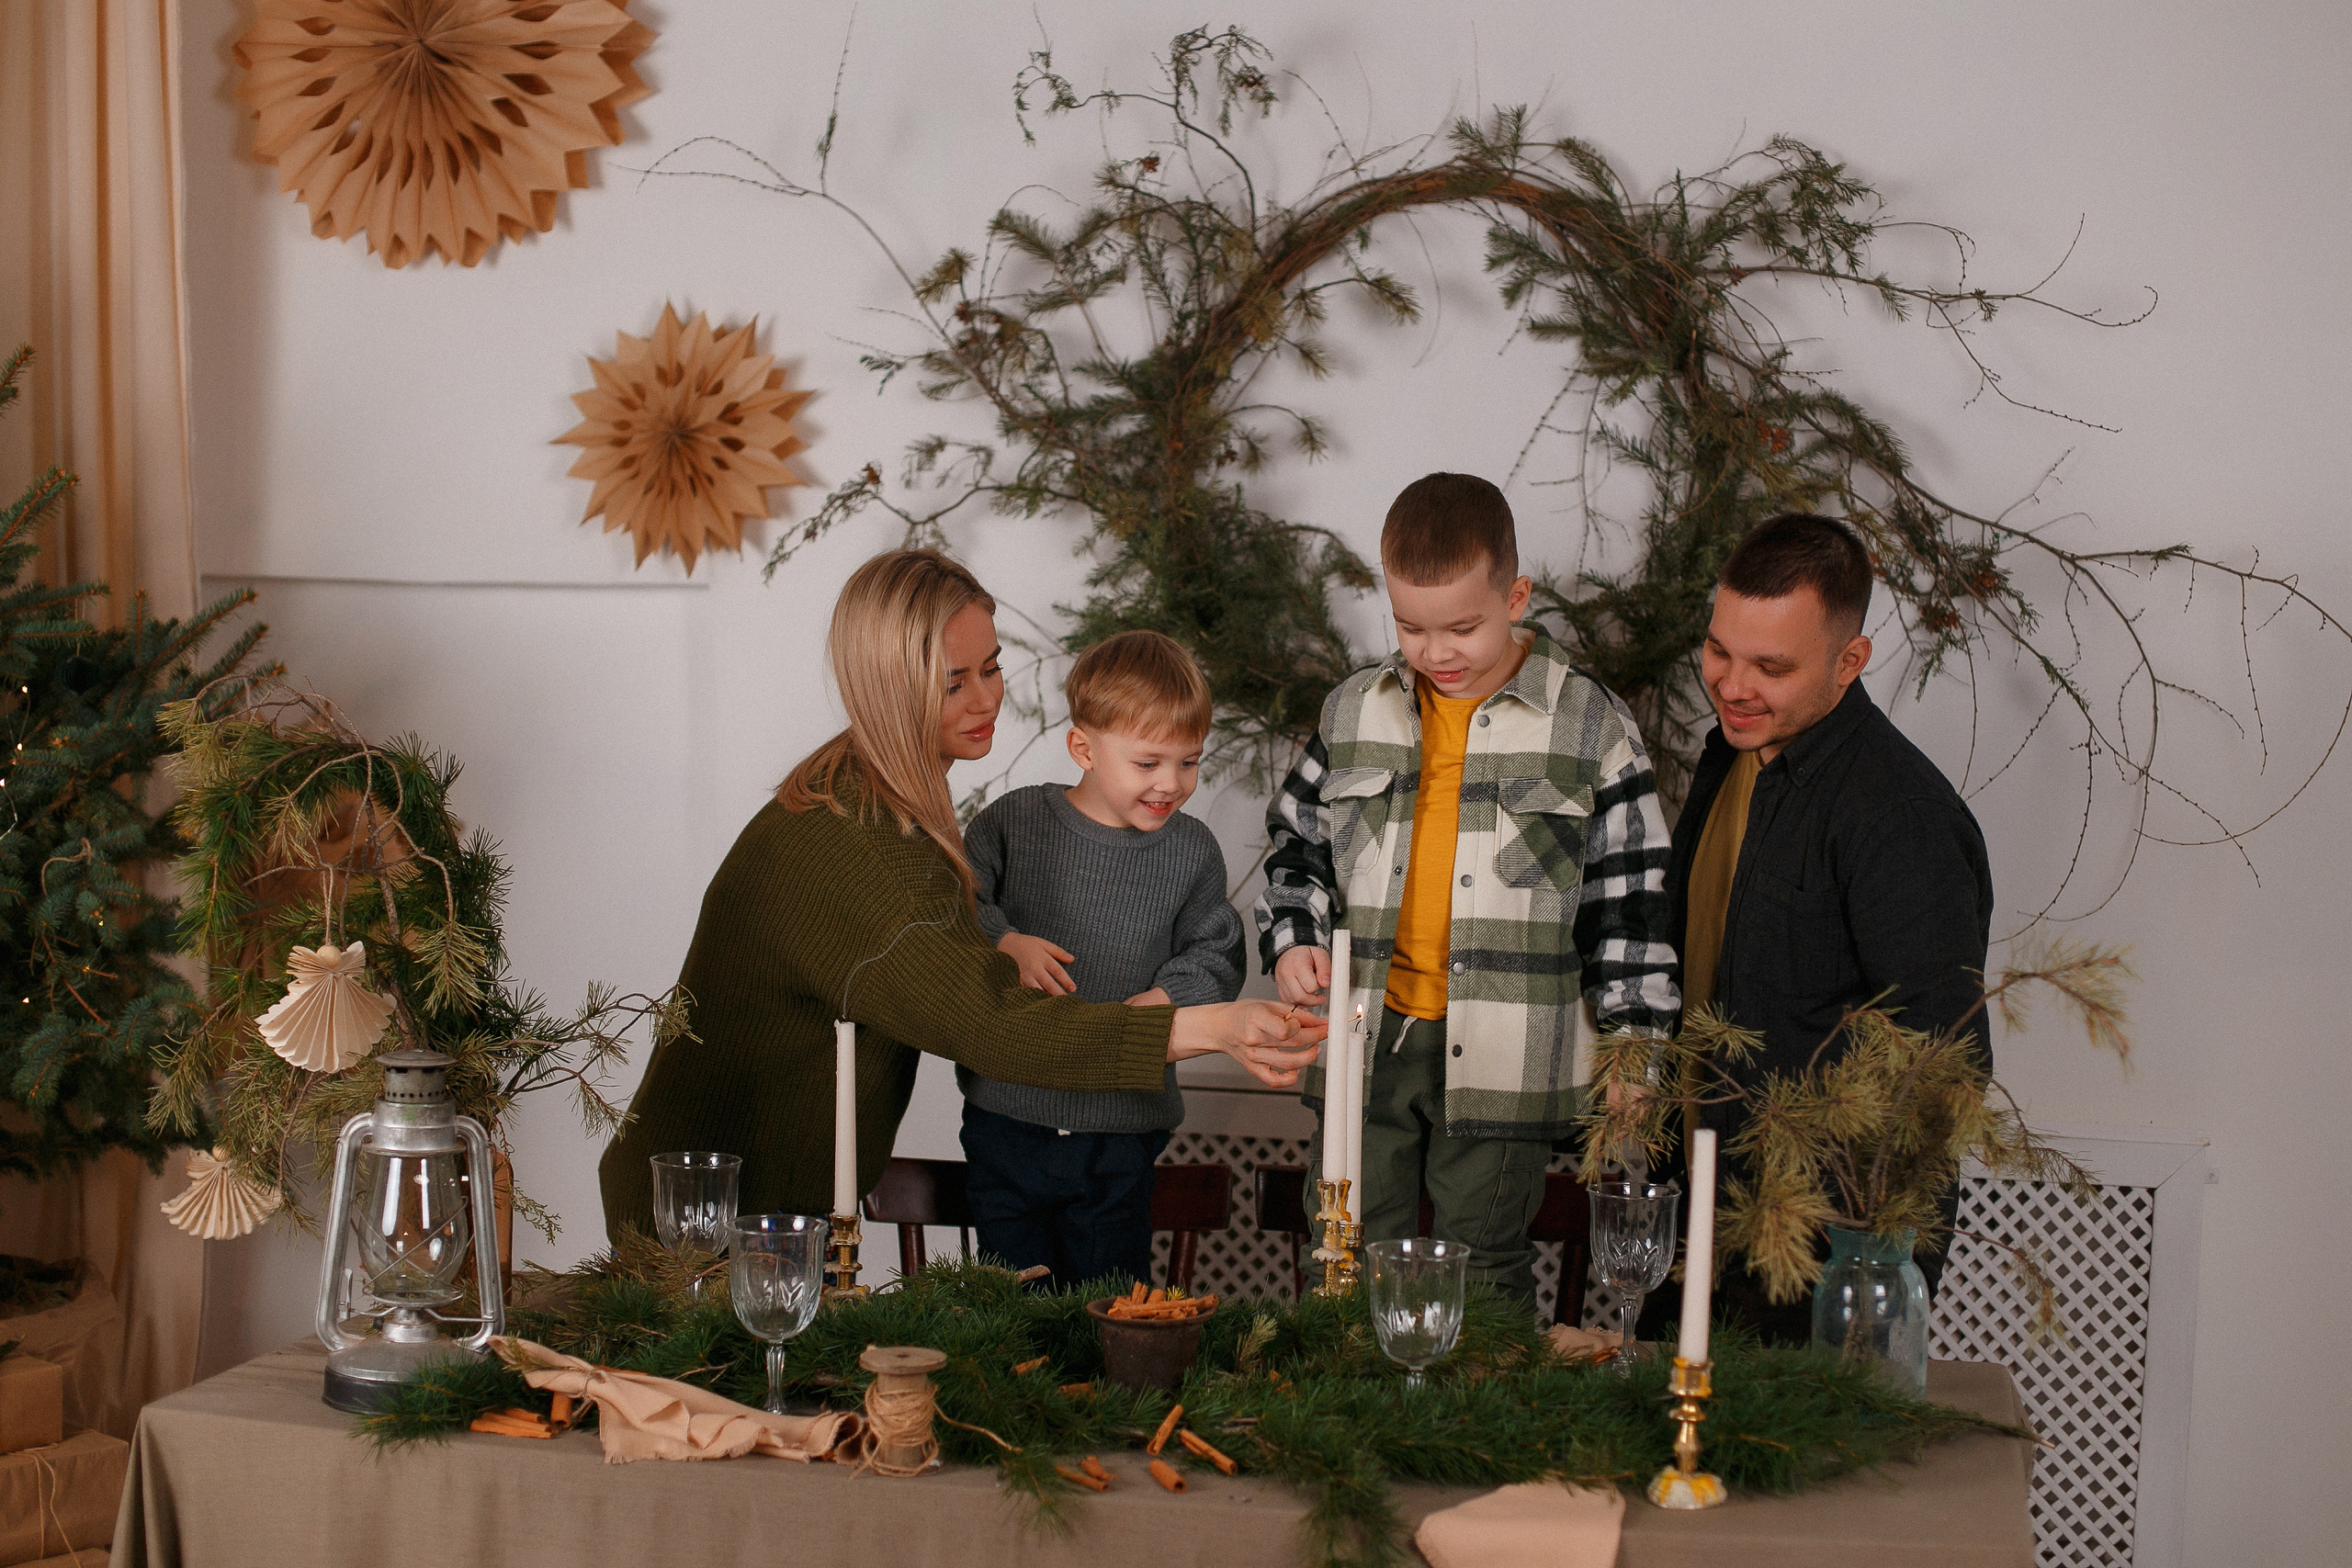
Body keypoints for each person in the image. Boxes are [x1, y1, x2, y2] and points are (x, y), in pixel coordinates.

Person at [599, 550, 1322, 1235]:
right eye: (954, 682)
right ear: (891, 686)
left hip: (758, 1209)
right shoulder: (857, 839)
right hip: (700, 1215)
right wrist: (1216, 1026)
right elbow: (998, 1026)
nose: (986, 699)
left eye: (992, 667)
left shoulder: (880, 791)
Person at [1253, 472, 1680, 1306]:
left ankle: (1474, 1433)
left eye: (1463, 626)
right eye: (1410, 626)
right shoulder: (1353, 713)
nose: (1436, 651)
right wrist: (1295, 940)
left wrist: (1637, 1051)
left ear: (1515, 596)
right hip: (1365, 1043)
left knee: (1482, 1263)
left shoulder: (1590, 726)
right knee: (1341, 1254)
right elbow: (1295, 845)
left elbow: (1631, 902)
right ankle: (1339, 1427)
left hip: (1507, 1054)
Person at [1664, 512, 1994, 1342]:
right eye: (1720, 651)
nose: (1733, 684)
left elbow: (1941, 1072)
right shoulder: (1731, 758)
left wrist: (1866, 1265)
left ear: (1850, 662)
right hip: (1695, 1214)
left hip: (1829, 1249)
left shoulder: (1901, 816)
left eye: (1771, 665)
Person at [956, 630, 1240, 1287]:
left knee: (1108, 1297)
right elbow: (955, 899)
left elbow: (1217, 949)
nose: (1172, 783)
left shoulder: (1192, 851)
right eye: (1149, 763)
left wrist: (1168, 999)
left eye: (1189, 761)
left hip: (1121, 1129)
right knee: (1010, 1298)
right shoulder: (1014, 821)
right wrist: (1005, 938)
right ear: (1084, 747)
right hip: (1007, 1115)